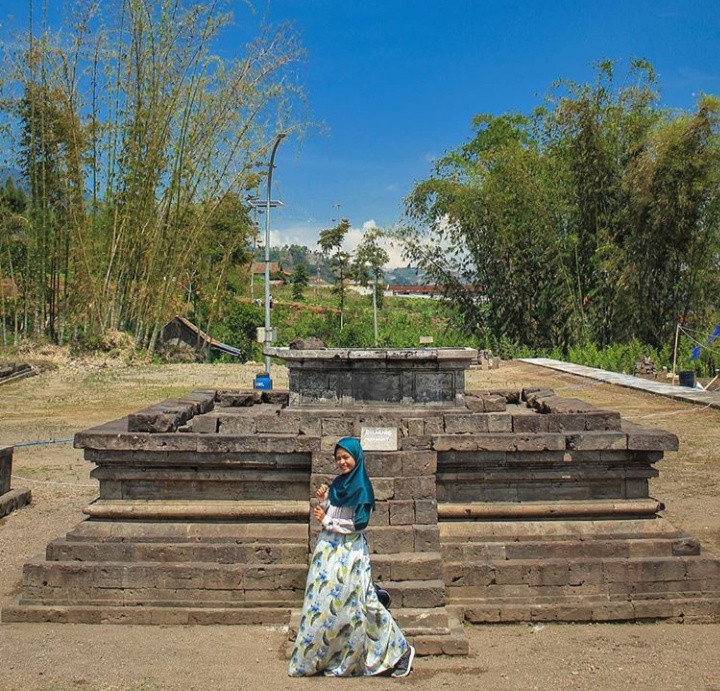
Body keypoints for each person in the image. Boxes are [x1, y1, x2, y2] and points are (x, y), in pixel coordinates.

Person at [288, 437, 416, 677]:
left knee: (363, 603)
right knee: (326, 603)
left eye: (346, 457)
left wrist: (328, 521)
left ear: (356, 457)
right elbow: (333, 509)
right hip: (329, 552)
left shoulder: (362, 488)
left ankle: (401, 651)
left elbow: (359, 524)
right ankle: (330, 655)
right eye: (338, 458)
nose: (342, 462)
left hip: (351, 554)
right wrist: (324, 501)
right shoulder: (339, 483)